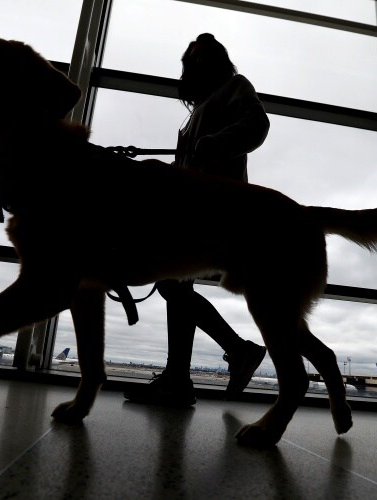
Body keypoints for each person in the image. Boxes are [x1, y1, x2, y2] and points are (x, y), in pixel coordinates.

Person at [124, 33, 271, 407]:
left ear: (217, 61)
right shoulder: (201, 109)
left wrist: (216, 142)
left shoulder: (234, 87)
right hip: (195, 208)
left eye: (199, 58)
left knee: (172, 284)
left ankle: (234, 352)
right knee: (176, 286)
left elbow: (257, 126)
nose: (192, 64)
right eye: (189, 59)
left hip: (214, 207)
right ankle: (179, 378)